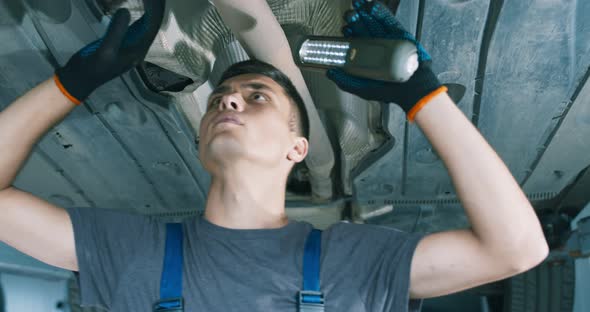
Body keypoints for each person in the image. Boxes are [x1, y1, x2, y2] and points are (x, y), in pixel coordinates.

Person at [0, 0, 548, 311]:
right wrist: (70, 84)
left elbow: (517, 250)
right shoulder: (127, 251)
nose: (229, 97)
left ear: (298, 149)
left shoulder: (355, 261)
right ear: (200, 142)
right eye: (220, 99)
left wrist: (422, 95)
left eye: (255, 96)